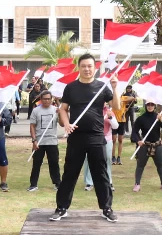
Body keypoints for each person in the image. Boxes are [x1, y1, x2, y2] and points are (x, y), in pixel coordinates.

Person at [51, 53, 119, 223]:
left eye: (90, 66)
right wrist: (66, 124)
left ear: (94, 68)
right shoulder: (71, 87)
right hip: (76, 137)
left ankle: (106, 208)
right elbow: (63, 109)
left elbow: (116, 107)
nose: (87, 69)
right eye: (83, 66)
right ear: (79, 68)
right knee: (70, 173)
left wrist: (115, 87)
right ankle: (61, 208)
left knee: (101, 174)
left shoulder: (102, 87)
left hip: (97, 137)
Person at [131, 101, 162, 192]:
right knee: (140, 165)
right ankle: (137, 184)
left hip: (157, 145)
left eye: (152, 105)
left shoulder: (158, 117)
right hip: (145, 145)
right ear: (146, 106)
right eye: (148, 105)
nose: (150, 106)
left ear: (154, 106)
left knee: (160, 165)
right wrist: (138, 141)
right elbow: (134, 131)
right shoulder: (141, 118)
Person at [28, 90, 61, 192]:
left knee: (54, 163)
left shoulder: (56, 110)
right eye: (44, 99)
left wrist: (60, 114)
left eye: (48, 99)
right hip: (39, 141)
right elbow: (32, 126)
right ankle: (33, 184)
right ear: (41, 100)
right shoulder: (36, 111)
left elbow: (63, 124)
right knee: (36, 163)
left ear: (52, 99)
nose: (46, 101)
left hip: (52, 141)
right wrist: (34, 140)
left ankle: (57, 183)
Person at [83, 104, 119, 192]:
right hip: (92, 138)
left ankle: (108, 181)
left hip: (106, 138)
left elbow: (115, 126)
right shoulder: (90, 109)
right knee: (89, 159)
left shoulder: (109, 111)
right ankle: (89, 182)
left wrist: (111, 117)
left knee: (107, 159)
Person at [111, 88, 130, 165]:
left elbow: (132, 98)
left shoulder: (123, 98)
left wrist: (123, 101)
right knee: (113, 140)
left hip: (122, 121)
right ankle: (113, 157)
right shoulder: (113, 98)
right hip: (114, 121)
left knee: (120, 140)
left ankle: (119, 157)